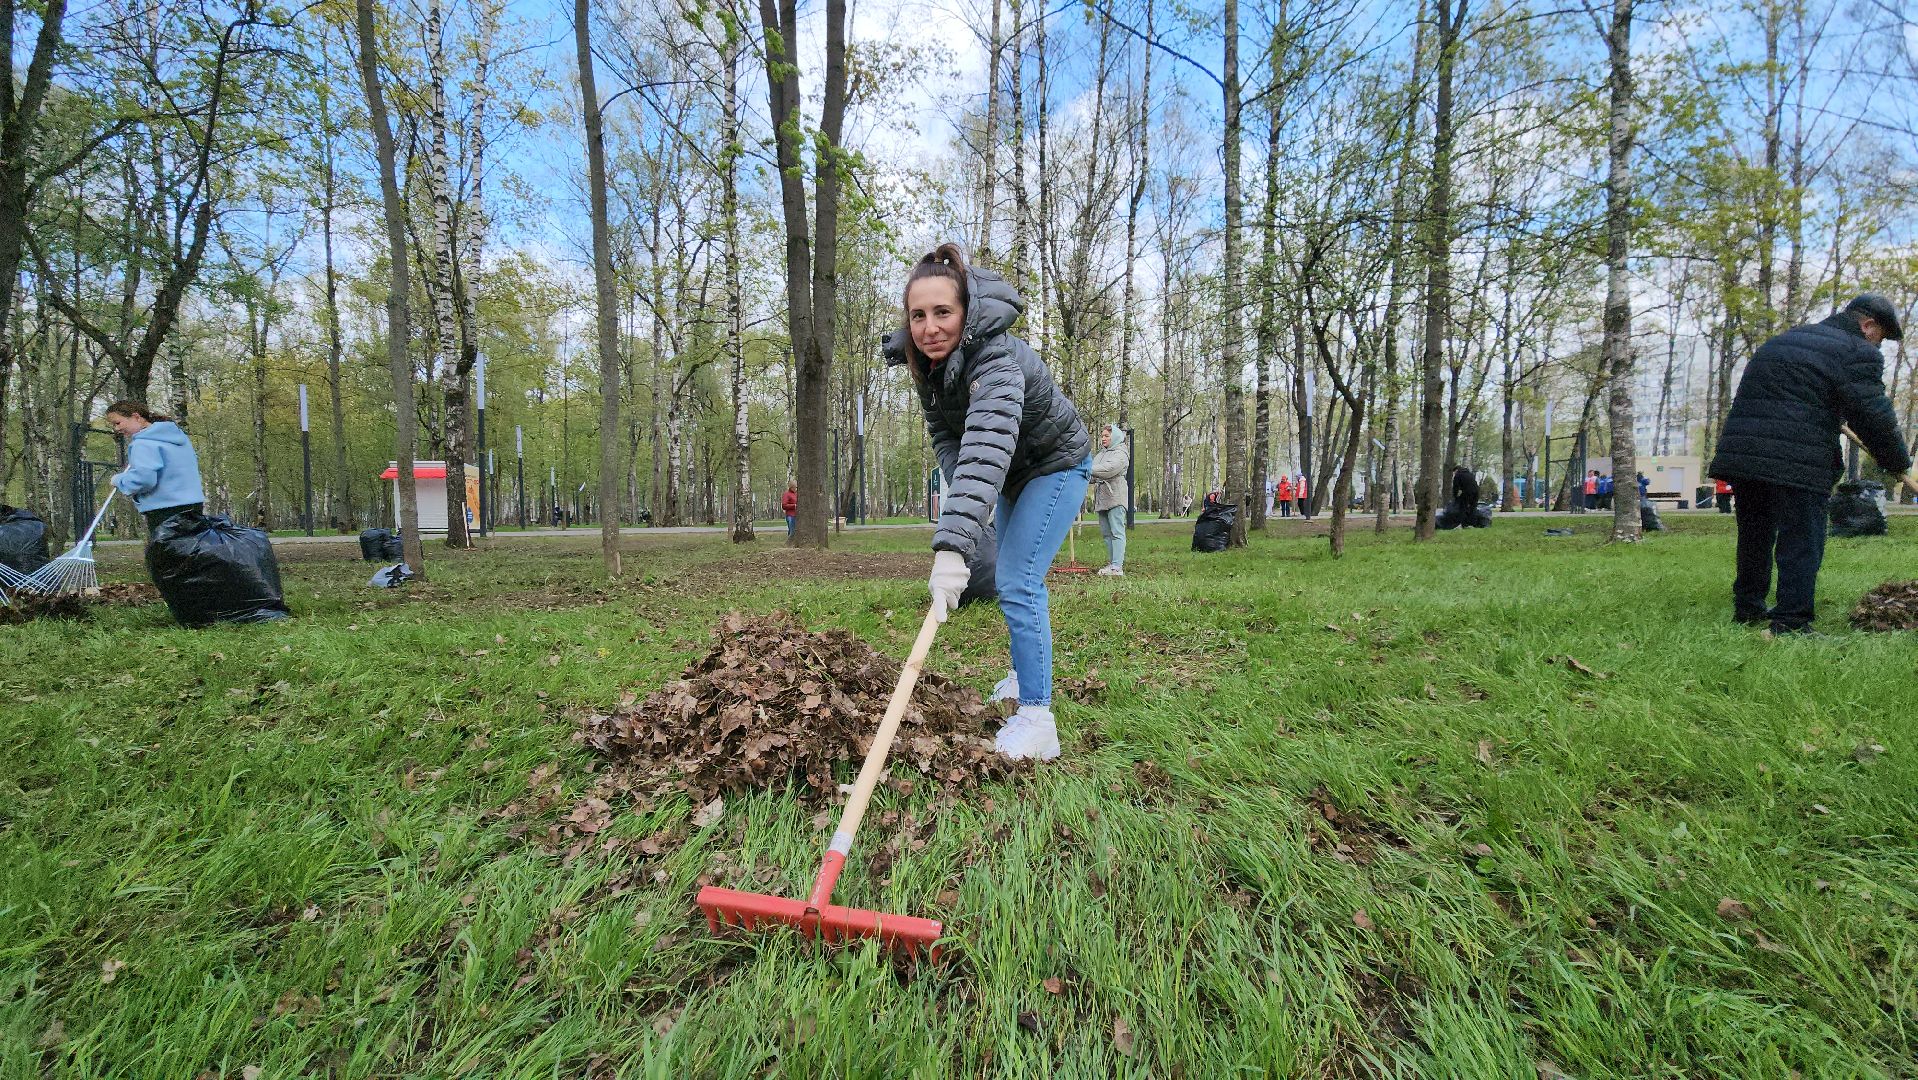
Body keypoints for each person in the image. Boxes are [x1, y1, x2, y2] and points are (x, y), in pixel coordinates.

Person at [887, 243, 1090, 761]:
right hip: (1011, 473)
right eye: (918, 315)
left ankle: (1038, 720)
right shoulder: (929, 367)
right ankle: (1024, 677)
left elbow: (986, 444)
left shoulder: (996, 360)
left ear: (967, 311)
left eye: (943, 312)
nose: (930, 327)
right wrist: (967, 516)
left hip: (1056, 465)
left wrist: (952, 547)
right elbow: (950, 442)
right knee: (1008, 578)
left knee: (1018, 580)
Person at [1709, 293, 1915, 634]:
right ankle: (1791, 622)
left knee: (1755, 534)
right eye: (1881, 337)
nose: (1879, 346)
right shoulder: (1856, 351)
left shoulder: (1786, 340)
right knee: (1802, 539)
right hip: (1796, 458)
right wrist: (1896, 461)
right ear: (1868, 326)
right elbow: (1873, 414)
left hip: (1744, 452)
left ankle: (1748, 608)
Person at [105, 401, 204, 531]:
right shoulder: (178, 437)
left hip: (165, 510)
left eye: (118, 423)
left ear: (136, 417)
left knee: (168, 545)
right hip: (194, 506)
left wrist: (118, 480)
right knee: (192, 543)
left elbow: (143, 480)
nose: (116, 429)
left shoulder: (143, 443)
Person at [1089, 424, 1129, 576]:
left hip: (1116, 496)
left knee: (1117, 531)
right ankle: (1112, 563)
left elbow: (1109, 469)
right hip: (1102, 497)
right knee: (1106, 533)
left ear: (1115, 437)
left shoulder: (1121, 452)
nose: (1103, 438)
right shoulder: (1101, 454)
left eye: (1107, 436)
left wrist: (1087, 469)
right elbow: (1092, 473)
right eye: (1102, 436)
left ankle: (1117, 567)